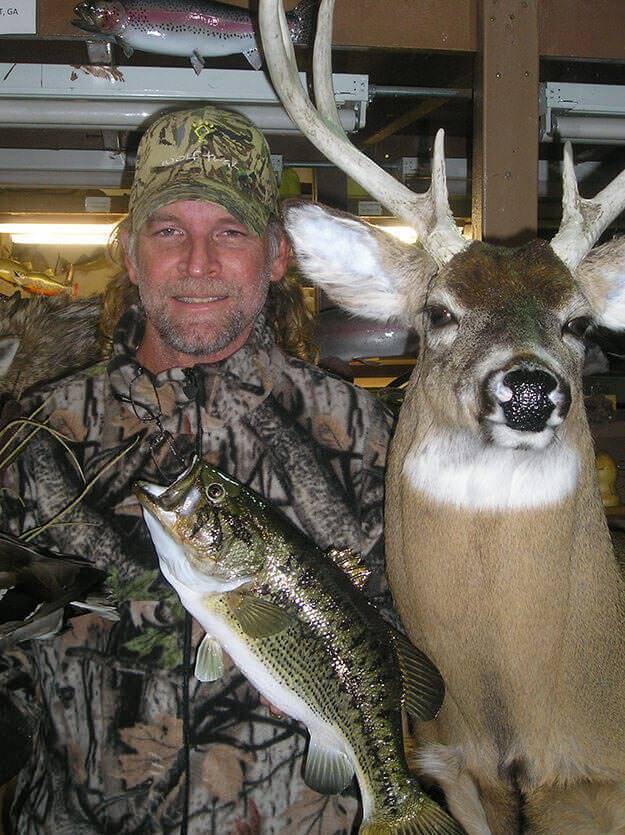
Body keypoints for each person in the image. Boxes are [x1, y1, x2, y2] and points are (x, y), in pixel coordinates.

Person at [0, 105, 393, 834]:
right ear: (128, 252)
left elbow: (416, 651)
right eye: (169, 230)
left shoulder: (369, 439)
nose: (198, 264)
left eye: (230, 232)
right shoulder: (32, 437)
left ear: (275, 255)